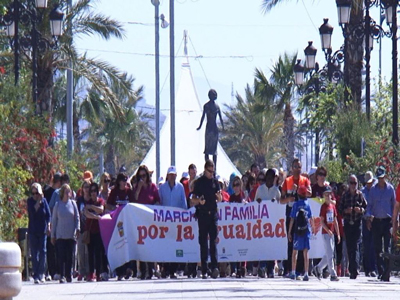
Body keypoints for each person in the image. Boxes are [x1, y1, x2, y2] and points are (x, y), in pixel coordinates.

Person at [191, 159, 222, 279]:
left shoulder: (215, 182)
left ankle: (214, 267)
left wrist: (219, 197)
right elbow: (193, 199)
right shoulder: (199, 183)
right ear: (205, 170)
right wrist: (199, 201)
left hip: (213, 214)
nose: (211, 174)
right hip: (203, 215)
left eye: (212, 171)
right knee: (203, 242)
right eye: (209, 171)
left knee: (213, 241)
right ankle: (204, 269)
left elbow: (220, 198)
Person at [280, 158, 312, 277]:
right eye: (295, 167)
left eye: (299, 167)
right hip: (291, 213)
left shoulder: (305, 180)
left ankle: (300, 270)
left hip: (302, 215)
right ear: (291, 168)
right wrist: (289, 198)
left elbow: (310, 193)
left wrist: (299, 190)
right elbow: (281, 200)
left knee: (303, 244)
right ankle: (289, 269)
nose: (297, 169)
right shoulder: (287, 181)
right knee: (291, 242)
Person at [365, 166, 396, 281]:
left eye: (382, 177)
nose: (381, 180)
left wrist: (395, 220)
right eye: (379, 178)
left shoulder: (390, 189)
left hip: (387, 221)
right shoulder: (373, 190)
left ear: (385, 176)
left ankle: (387, 272)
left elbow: (394, 205)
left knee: (387, 248)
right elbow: (370, 206)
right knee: (377, 247)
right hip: (377, 221)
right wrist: (368, 218)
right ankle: (381, 271)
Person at [158, 166, 187, 279]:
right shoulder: (162, 188)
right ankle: (165, 269)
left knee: (175, 245)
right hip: (165, 221)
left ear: (176, 175)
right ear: (167, 175)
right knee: (165, 245)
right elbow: (160, 203)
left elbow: (183, 203)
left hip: (176, 222)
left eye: (173, 174)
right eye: (170, 174)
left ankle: (173, 270)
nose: (171, 176)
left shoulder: (180, 187)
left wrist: (185, 216)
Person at [133, 166, 160, 279]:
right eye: (140, 176)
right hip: (140, 220)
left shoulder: (152, 187)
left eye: (144, 176)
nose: (142, 178)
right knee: (142, 245)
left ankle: (151, 268)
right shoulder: (136, 187)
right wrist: (138, 188)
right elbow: (134, 200)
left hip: (150, 221)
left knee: (150, 245)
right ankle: (143, 271)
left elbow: (158, 201)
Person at [253, 169, 281, 278]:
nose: (270, 180)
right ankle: (262, 267)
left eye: (272, 177)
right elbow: (254, 204)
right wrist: (258, 202)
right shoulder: (260, 189)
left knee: (271, 246)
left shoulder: (276, 191)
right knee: (263, 245)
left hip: (273, 224)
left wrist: (276, 204)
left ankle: (270, 269)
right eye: (268, 177)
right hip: (262, 224)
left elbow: (280, 206)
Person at [339, 175, 367, 279]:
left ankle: (354, 269)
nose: (353, 185)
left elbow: (365, 207)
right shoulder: (345, 195)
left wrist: (360, 210)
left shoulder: (360, 195)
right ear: (348, 183)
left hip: (357, 223)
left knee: (355, 246)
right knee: (350, 247)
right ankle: (352, 268)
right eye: (351, 183)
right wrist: (346, 210)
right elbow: (340, 209)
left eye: (355, 183)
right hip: (348, 223)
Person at [51, 184, 80, 283]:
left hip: (71, 235)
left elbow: (77, 218)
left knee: (70, 257)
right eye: (67, 191)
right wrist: (52, 235)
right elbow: (54, 221)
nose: (69, 193)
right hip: (60, 235)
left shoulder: (73, 203)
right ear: (63, 193)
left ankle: (68, 275)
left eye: (70, 191)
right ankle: (62, 275)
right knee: (61, 256)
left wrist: (77, 228)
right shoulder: (57, 205)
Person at [313, 186, 340, 281]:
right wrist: (327, 230)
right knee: (330, 254)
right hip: (325, 233)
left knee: (329, 253)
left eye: (329, 194)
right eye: (326, 195)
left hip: (332, 233)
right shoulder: (323, 207)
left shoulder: (332, 206)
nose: (328, 196)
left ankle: (318, 267)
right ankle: (332, 273)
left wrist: (338, 233)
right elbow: (321, 221)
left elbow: (335, 220)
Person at [288, 185, 313, 281]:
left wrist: (289, 232)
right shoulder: (307, 204)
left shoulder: (296, 204)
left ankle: (293, 272)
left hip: (297, 231)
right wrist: (313, 228)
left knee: (295, 252)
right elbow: (310, 218)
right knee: (305, 252)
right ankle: (306, 273)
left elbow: (292, 219)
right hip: (306, 230)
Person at [28, 183, 51, 284]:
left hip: (42, 230)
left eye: (37, 193)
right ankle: (36, 274)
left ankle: (42, 273)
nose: (35, 195)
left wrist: (49, 226)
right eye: (33, 193)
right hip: (33, 230)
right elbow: (32, 212)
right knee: (34, 253)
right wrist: (38, 201)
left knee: (43, 251)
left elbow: (48, 215)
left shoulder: (44, 201)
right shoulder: (30, 201)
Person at [85, 182, 107, 282]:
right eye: (92, 191)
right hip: (90, 231)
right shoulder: (87, 202)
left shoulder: (100, 201)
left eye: (95, 191)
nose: (93, 193)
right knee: (90, 253)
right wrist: (95, 217)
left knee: (98, 253)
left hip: (99, 231)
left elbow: (101, 210)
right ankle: (90, 273)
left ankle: (98, 274)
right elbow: (86, 214)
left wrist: (92, 208)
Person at [196, 89, 224, 170]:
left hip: (214, 129)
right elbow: (203, 117)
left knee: (214, 151)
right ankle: (207, 167)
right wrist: (200, 126)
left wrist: (223, 127)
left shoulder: (217, 107)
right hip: (208, 128)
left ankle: (214, 168)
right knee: (207, 150)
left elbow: (221, 118)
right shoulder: (206, 106)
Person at [43, 172, 61, 281]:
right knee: (54, 249)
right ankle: (54, 272)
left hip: (48, 223)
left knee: (50, 249)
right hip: (55, 224)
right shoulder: (57, 193)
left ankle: (51, 271)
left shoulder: (45, 191)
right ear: (58, 182)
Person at [361, 171, 377, 277]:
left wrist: (371, 218)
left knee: (374, 245)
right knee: (366, 245)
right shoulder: (363, 192)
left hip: (375, 220)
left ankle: (374, 268)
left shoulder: (376, 190)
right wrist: (366, 219)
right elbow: (363, 207)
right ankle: (367, 268)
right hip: (365, 220)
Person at [76, 180, 91, 281]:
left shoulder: (92, 199)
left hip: (90, 229)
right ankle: (81, 272)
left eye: (88, 187)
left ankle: (89, 272)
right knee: (81, 252)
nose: (86, 189)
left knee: (88, 252)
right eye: (84, 187)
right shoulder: (79, 200)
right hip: (81, 228)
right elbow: (76, 214)